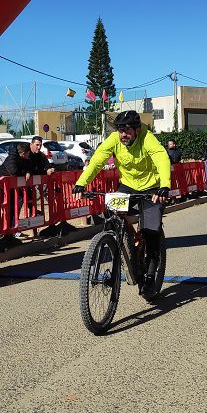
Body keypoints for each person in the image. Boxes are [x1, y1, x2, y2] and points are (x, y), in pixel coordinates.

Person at [72, 111, 171, 292]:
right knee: (110, 211)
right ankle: (121, 240)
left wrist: (164, 185)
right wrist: (81, 183)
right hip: (128, 186)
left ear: (137, 130)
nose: (123, 134)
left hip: (152, 188)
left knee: (150, 230)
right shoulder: (114, 140)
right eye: (120, 130)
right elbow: (97, 161)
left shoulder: (147, 138)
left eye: (127, 130)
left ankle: (150, 272)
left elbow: (161, 157)